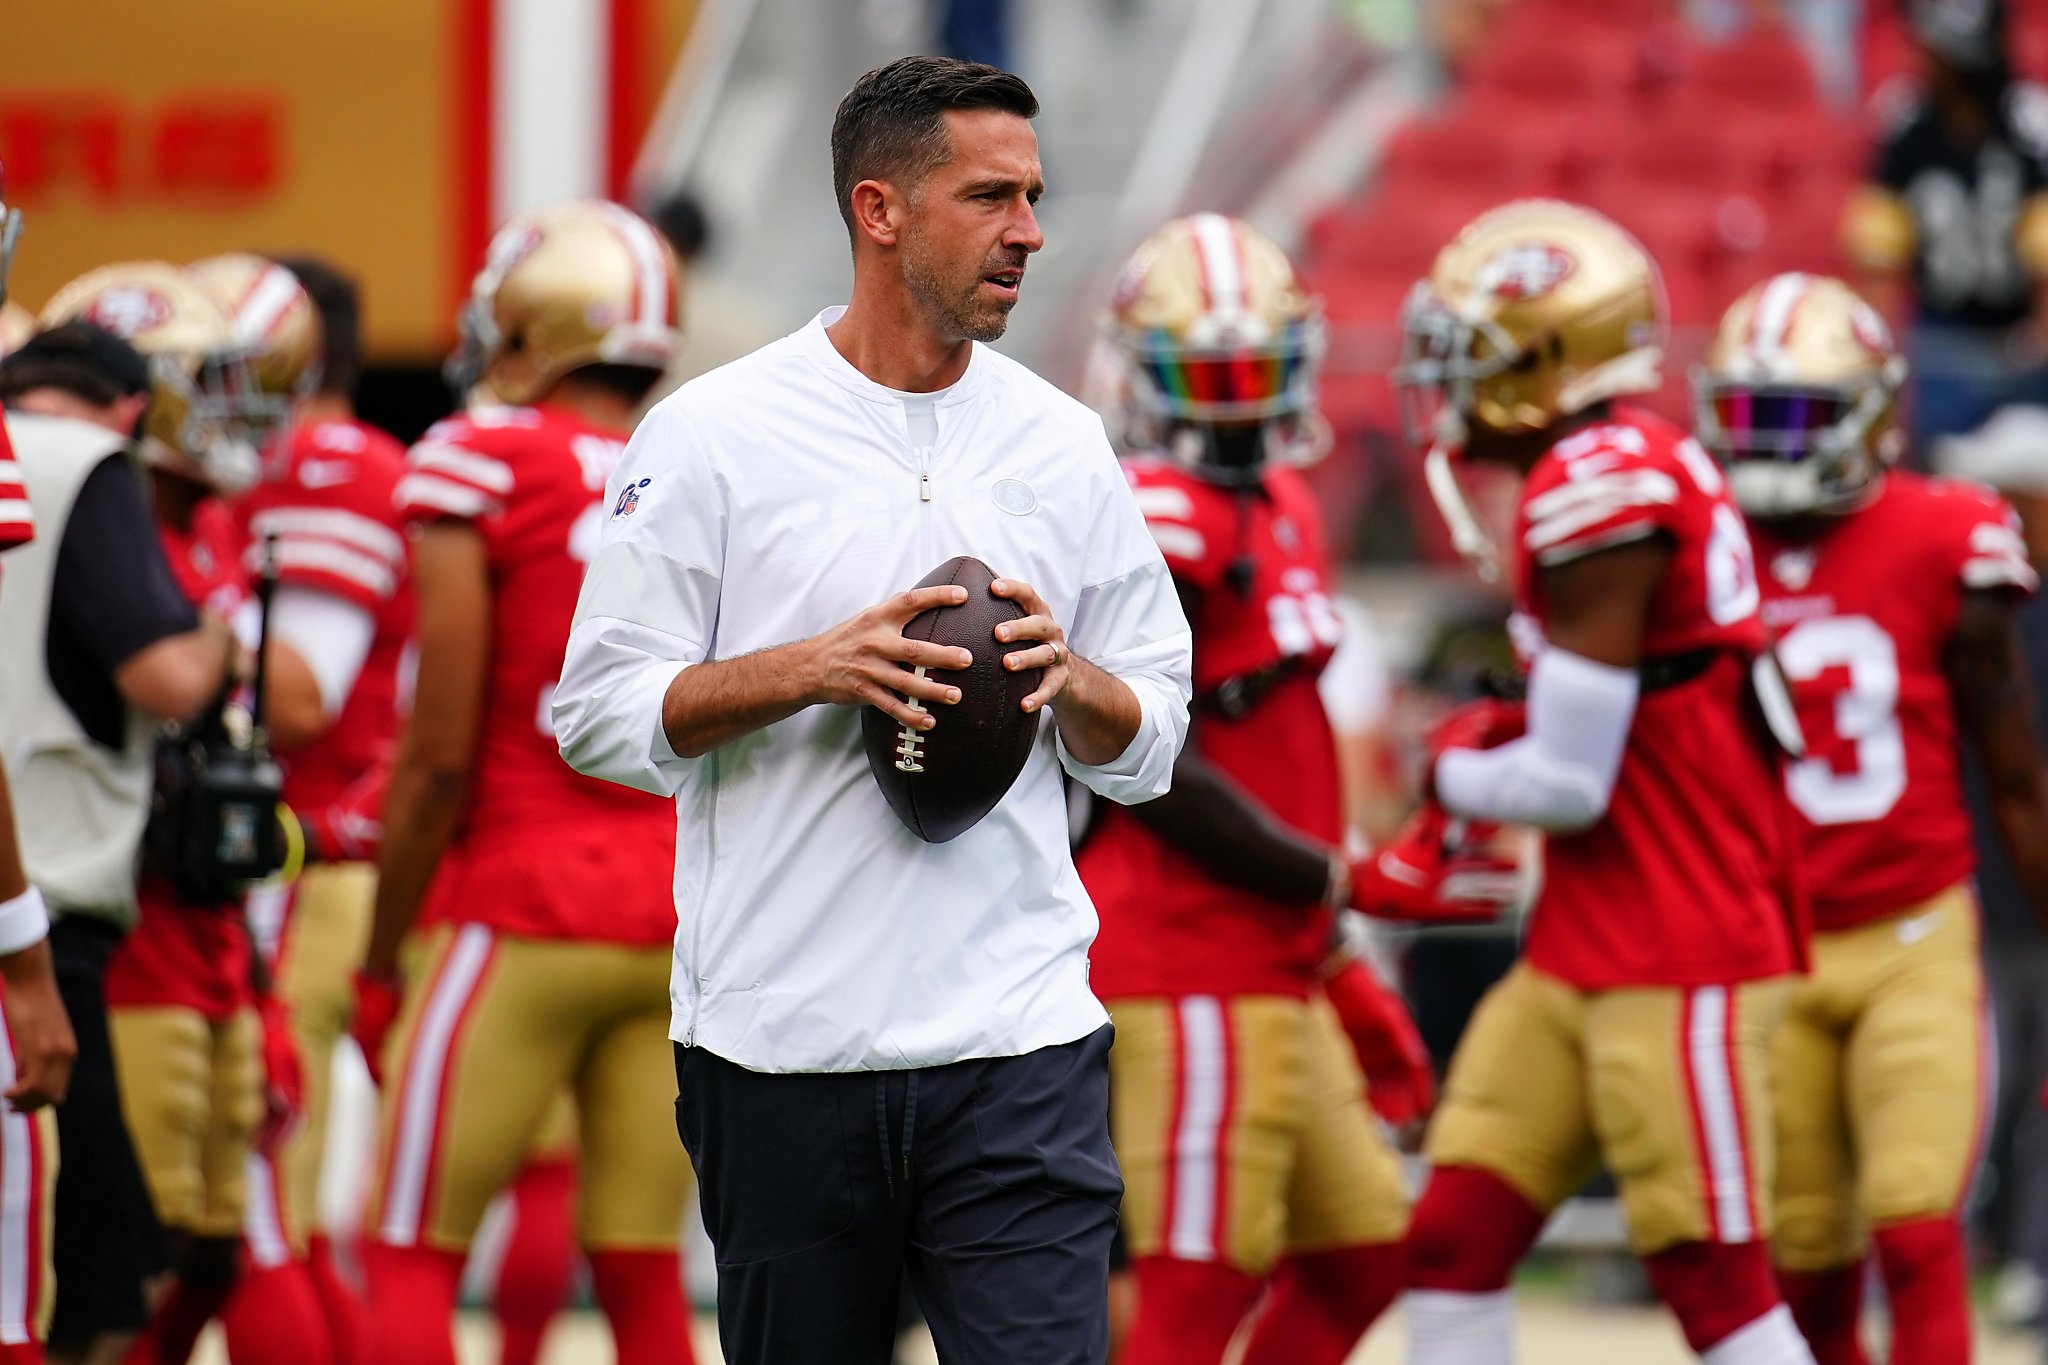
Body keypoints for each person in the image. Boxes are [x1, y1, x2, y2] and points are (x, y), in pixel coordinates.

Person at [552, 54, 1192, 1365]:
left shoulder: (1065, 442)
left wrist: (1074, 686)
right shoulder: (712, 432)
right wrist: (813, 666)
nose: (1030, 231)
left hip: (1019, 1042)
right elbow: (597, 717)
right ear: (879, 210)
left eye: (1033, 196)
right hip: (778, 1048)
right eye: (990, 197)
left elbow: (1158, 740)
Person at [1079, 213, 1514, 1365]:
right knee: (1193, 1293)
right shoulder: (1148, 513)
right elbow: (1146, 769)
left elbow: (1277, 753)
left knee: (1363, 1247)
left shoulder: (1281, 503)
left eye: (1248, 371)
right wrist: (1346, 883)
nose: (1229, 402)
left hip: (1273, 954)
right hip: (1187, 960)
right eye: (1204, 373)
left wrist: (1330, 952)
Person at [1390, 200, 1815, 1365]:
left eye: (1471, 349)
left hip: (1680, 949)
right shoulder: (1616, 463)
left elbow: (1570, 784)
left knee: (1711, 1285)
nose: (1447, 380)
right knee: (1452, 1237)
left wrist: (1448, 767)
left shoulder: (1598, 490)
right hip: (1587, 942)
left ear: (1546, 355)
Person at [349, 197, 696, 1365]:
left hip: (522, 903)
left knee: (409, 1249)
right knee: (645, 1271)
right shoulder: (693, 462)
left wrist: (380, 950)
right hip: (672, 915)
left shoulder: (483, 456)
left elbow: (438, 750)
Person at [1696, 272, 2048, 1364]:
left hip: (1910, 936)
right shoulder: (1692, 544)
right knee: (1804, 1255)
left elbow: (2011, 766)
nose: (1766, 443)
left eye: (1794, 414)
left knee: (1912, 1224)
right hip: (1771, 944)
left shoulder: (1945, 533)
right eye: (1748, 415)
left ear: (1865, 414)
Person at [40, 262, 295, 1365]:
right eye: (208, 379)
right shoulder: (93, 503)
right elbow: (183, 681)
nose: (230, 407)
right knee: (110, 1262)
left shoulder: (205, 521)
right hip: (107, 919)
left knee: (193, 1247)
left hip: (199, 920)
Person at [0, 310, 241, 1365]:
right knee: (87, 1276)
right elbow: (168, 676)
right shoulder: (87, 463)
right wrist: (222, 628)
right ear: (137, 406)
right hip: (36, 904)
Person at [206, 252, 411, 1365]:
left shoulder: (322, 466)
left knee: (268, 1196)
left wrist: (168, 623)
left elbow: (298, 694)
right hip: (334, 857)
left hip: (311, 858)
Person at [1841, 0, 2048, 445]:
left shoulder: (2028, 123)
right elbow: (1878, 249)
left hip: (2020, 339)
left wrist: (2040, 335)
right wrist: (1885, 352)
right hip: (1942, 339)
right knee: (1944, 459)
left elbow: (2045, 244)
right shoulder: (1905, 124)